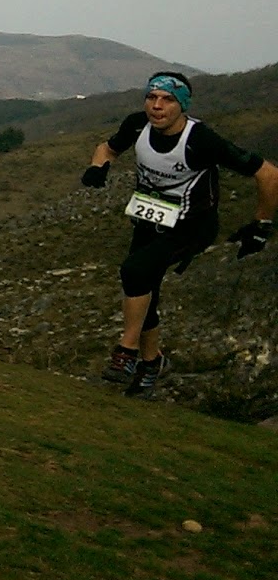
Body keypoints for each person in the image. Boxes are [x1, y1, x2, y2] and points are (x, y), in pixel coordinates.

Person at [80, 72, 277, 398]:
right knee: (145, 292)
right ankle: (151, 365)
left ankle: (126, 351)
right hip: (148, 220)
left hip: (192, 227)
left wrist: (260, 226)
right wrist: (98, 167)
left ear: (182, 105)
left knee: (134, 271)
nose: (157, 106)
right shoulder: (137, 125)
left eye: (168, 100)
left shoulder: (201, 140)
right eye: (151, 97)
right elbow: (107, 149)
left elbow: (269, 175)